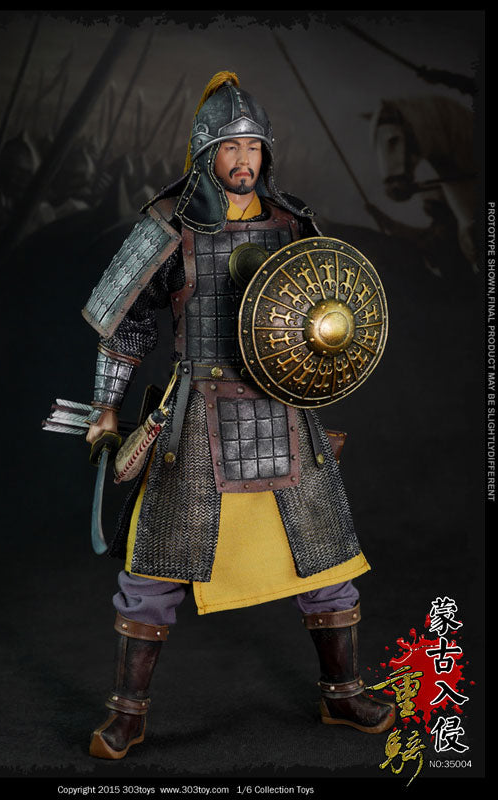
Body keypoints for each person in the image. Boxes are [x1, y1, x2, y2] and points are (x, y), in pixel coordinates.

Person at [81, 71, 394, 760]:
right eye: (229, 146)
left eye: (252, 146)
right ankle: (127, 713)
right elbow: (125, 324)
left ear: (266, 152)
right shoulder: (170, 223)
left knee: (325, 557)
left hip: (283, 412)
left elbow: (321, 312)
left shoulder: (292, 223)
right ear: (205, 152)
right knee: (156, 567)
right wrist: (105, 407)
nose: (243, 159)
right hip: (198, 415)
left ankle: (342, 694)